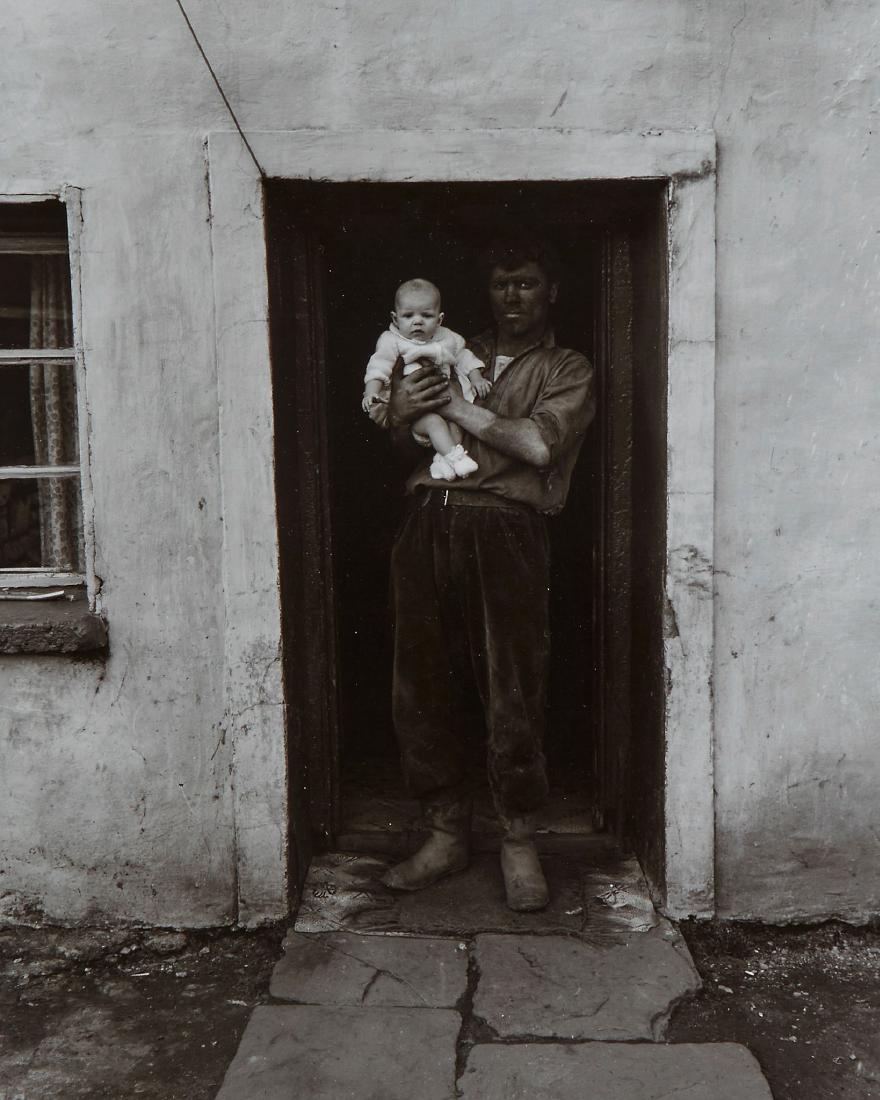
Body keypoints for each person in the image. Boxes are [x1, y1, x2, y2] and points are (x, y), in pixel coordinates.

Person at [379, 240, 595, 911]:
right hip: (428, 520)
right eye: (502, 284)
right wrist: (404, 409)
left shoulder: (569, 366)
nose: (513, 297)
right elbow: (395, 427)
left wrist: (457, 408)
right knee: (422, 680)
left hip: (506, 527)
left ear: (550, 291)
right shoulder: (446, 342)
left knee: (513, 685)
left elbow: (537, 444)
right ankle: (444, 834)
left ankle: (518, 840)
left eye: (527, 284)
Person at [362, 278, 491, 480]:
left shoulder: (447, 337)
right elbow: (379, 367)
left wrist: (476, 378)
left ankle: (442, 462)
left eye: (426, 315)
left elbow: (464, 357)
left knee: (456, 427)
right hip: (417, 413)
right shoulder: (392, 340)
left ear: (439, 320)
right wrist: (371, 392)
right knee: (434, 423)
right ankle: (457, 459)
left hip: (447, 405)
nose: (417, 321)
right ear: (395, 319)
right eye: (408, 315)